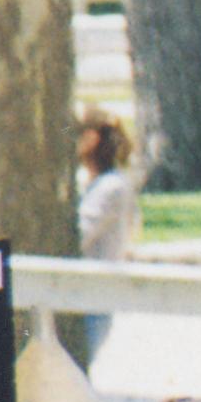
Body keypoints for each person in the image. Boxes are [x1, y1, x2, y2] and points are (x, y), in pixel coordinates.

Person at [62, 112, 143, 371]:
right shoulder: (100, 184)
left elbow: (80, 237)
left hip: (93, 296)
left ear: (91, 139)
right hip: (82, 294)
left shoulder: (110, 188)